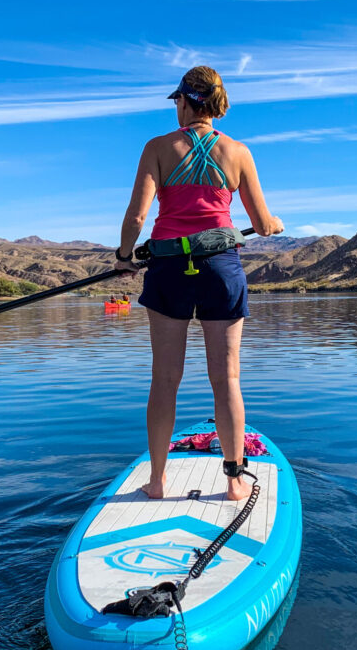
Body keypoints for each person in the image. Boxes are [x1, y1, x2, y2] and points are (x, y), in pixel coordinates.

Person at [114, 65, 283, 501]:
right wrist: (273, 224)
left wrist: (123, 258)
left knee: (164, 378)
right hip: (220, 270)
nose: (176, 108)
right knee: (226, 377)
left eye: (177, 101)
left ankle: (156, 481)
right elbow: (262, 223)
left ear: (187, 102)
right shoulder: (239, 152)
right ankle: (233, 480)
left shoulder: (156, 147)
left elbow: (136, 218)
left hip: (169, 270)